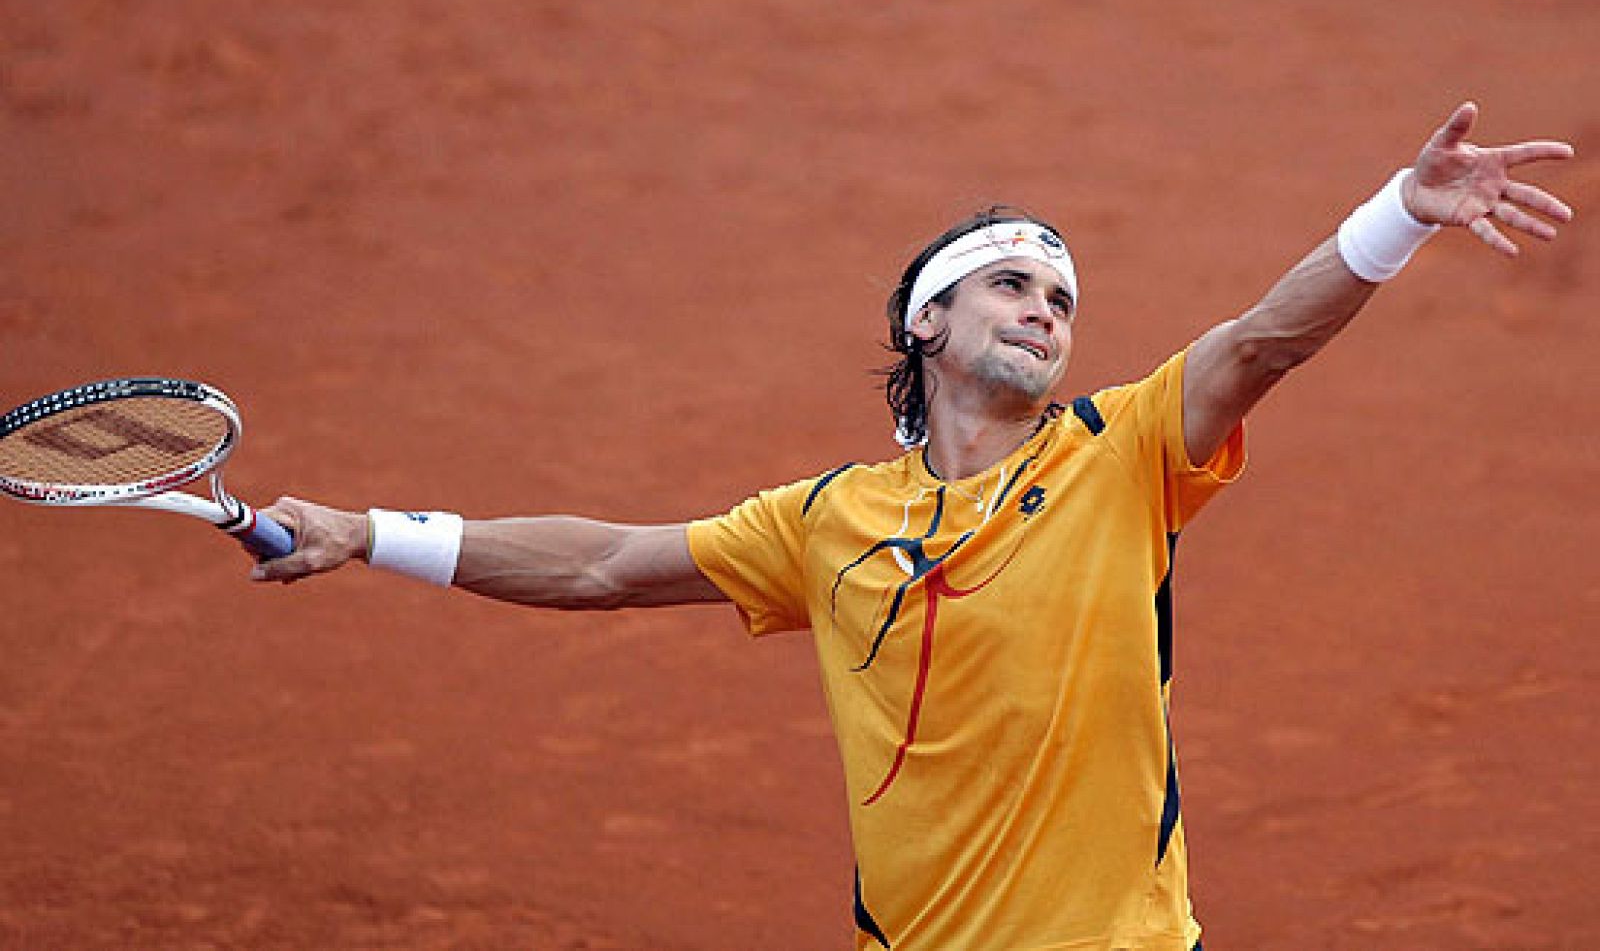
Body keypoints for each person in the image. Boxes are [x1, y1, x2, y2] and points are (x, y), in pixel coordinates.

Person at [252, 102, 1573, 950]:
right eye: (1011, 282)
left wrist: (1400, 215)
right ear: (926, 322)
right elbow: (602, 564)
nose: (1047, 309)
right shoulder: (827, 521)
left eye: (1062, 296)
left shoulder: (1121, 455)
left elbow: (1265, 342)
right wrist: (370, 531)